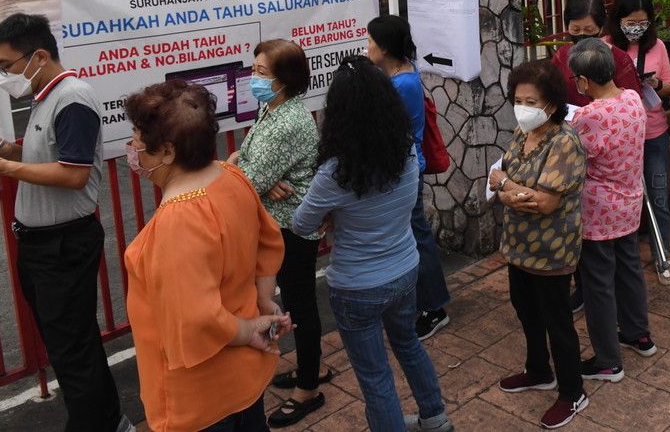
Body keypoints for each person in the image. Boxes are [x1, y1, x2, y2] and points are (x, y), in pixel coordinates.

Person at [0, 13, 130, 432]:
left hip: (62, 245)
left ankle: (95, 425)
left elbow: (72, 175)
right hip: (44, 246)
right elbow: (51, 157)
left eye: (5, 65)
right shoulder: (44, 95)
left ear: (38, 55)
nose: (1, 75)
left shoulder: (72, 97)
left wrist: (1, 165)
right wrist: (6, 151)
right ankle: (111, 422)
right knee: (73, 346)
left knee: (73, 352)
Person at [293, 56, 453, 432]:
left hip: (357, 286)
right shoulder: (406, 151)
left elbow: (302, 223)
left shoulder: (335, 172)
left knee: (375, 375)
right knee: (409, 345)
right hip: (404, 270)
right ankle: (436, 419)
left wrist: (335, 215)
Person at [121, 81, 292, 432]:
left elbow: (197, 316)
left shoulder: (179, 218)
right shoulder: (230, 175)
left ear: (167, 152)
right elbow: (268, 241)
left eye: (138, 137)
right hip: (245, 375)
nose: (133, 147)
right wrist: (263, 301)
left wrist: (246, 331)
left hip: (203, 395)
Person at [229, 39, 329, 427]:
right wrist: (257, 175)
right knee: (296, 301)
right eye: (254, 70)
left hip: (291, 229)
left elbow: (246, 178)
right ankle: (312, 367)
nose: (252, 78)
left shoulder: (285, 121)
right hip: (280, 224)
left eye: (260, 73)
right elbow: (253, 170)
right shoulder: (273, 109)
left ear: (283, 80)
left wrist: (246, 170)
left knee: (301, 305)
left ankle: (308, 388)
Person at [490, 61, 589, 430]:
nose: (523, 107)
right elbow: (516, 187)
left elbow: (544, 202)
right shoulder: (522, 133)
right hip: (518, 246)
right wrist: (513, 190)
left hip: (551, 251)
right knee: (526, 311)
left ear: (550, 104)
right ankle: (537, 370)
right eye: (518, 99)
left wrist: (504, 187)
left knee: (557, 322)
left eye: (531, 100)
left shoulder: (565, 143)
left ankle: (572, 391)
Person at [566, 38, 653, 382]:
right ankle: (638, 333)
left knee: (598, 283)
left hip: (598, 213)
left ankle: (607, 360)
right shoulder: (632, 99)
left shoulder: (589, 115)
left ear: (585, 82)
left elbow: (573, 155)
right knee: (629, 269)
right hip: (629, 204)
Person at [366, 15, 452, 341]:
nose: (366, 47)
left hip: (404, 170)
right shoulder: (404, 71)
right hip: (405, 168)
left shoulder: (400, 84)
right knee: (413, 234)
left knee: (417, 235)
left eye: (370, 42)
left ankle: (434, 307)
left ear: (385, 48)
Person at [603, 0, 670, 282]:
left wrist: (656, 84)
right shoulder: (606, 47)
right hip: (620, 138)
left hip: (653, 133)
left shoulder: (657, 46)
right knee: (625, 199)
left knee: (658, 196)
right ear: (617, 20)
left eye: (642, 23)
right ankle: (627, 260)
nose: (636, 28)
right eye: (630, 22)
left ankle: (663, 254)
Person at [551, 0, 643, 109]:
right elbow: (549, 91)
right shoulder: (562, 56)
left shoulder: (620, 59)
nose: (581, 34)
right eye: (575, 29)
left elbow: (632, 104)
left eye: (589, 30)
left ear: (600, 28)